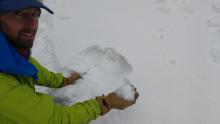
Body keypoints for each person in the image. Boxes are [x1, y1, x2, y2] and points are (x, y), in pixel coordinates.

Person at [0, 0, 139, 124]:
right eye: (19, 13)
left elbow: (29, 68)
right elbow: (55, 119)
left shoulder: (11, 53)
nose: (32, 24)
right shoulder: (3, 91)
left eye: (35, 14)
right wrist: (106, 103)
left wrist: (62, 81)